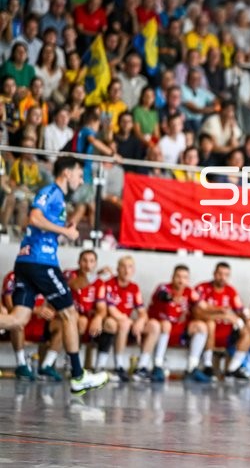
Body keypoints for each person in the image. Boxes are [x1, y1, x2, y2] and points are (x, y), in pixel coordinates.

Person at [0, 156, 108, 394]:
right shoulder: (52, 192)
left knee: (18, 319)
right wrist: (64, 232)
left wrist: (64, 228)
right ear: (67, 173)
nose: (81, 181)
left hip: (28, 262)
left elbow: (43, 224)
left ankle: (79, 375)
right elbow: (34, 218)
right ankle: (79, 376)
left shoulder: (59, 199)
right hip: (40, 262)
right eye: (80, 175)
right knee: (69, 313)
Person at [147, 264, 212, 383]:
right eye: (178, 276)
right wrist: (172, 297)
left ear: (188, 280)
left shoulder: (189, 292)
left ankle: (192, 368)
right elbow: (162, 296)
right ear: (172, 277)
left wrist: (224, 311)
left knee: (201, 326)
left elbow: (205, 307)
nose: (181, 280)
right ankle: (158, 366)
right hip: (160, 331)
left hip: (180, 332)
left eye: (185, 277)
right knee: (166, 324)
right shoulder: (163, 288)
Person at [194, 262, 250, 381]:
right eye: (220, 274)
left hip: (228, 334)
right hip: (207, 332)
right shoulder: (202, 288)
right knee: (210, 324)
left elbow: (239, 310)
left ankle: (233, 368)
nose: (223, 277)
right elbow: (196, 313)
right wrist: (222, 314)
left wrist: (244, 315)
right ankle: (208, 365)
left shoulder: (231, 291)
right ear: (214, 273)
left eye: (226, 275)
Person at [104, 256, 153, 383]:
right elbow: (111, 310)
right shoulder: (109, 284)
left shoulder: (134, 287)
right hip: (111, 323)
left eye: (130, 267)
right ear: (118, 269)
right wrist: (131, 322)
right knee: (124, 323)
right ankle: (119, 367)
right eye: (123, 267)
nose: (127, 270)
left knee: (155, 326)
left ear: (134, 270)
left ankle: (141, 367)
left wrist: (140, 321)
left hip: (127, 324)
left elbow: (142, 312)